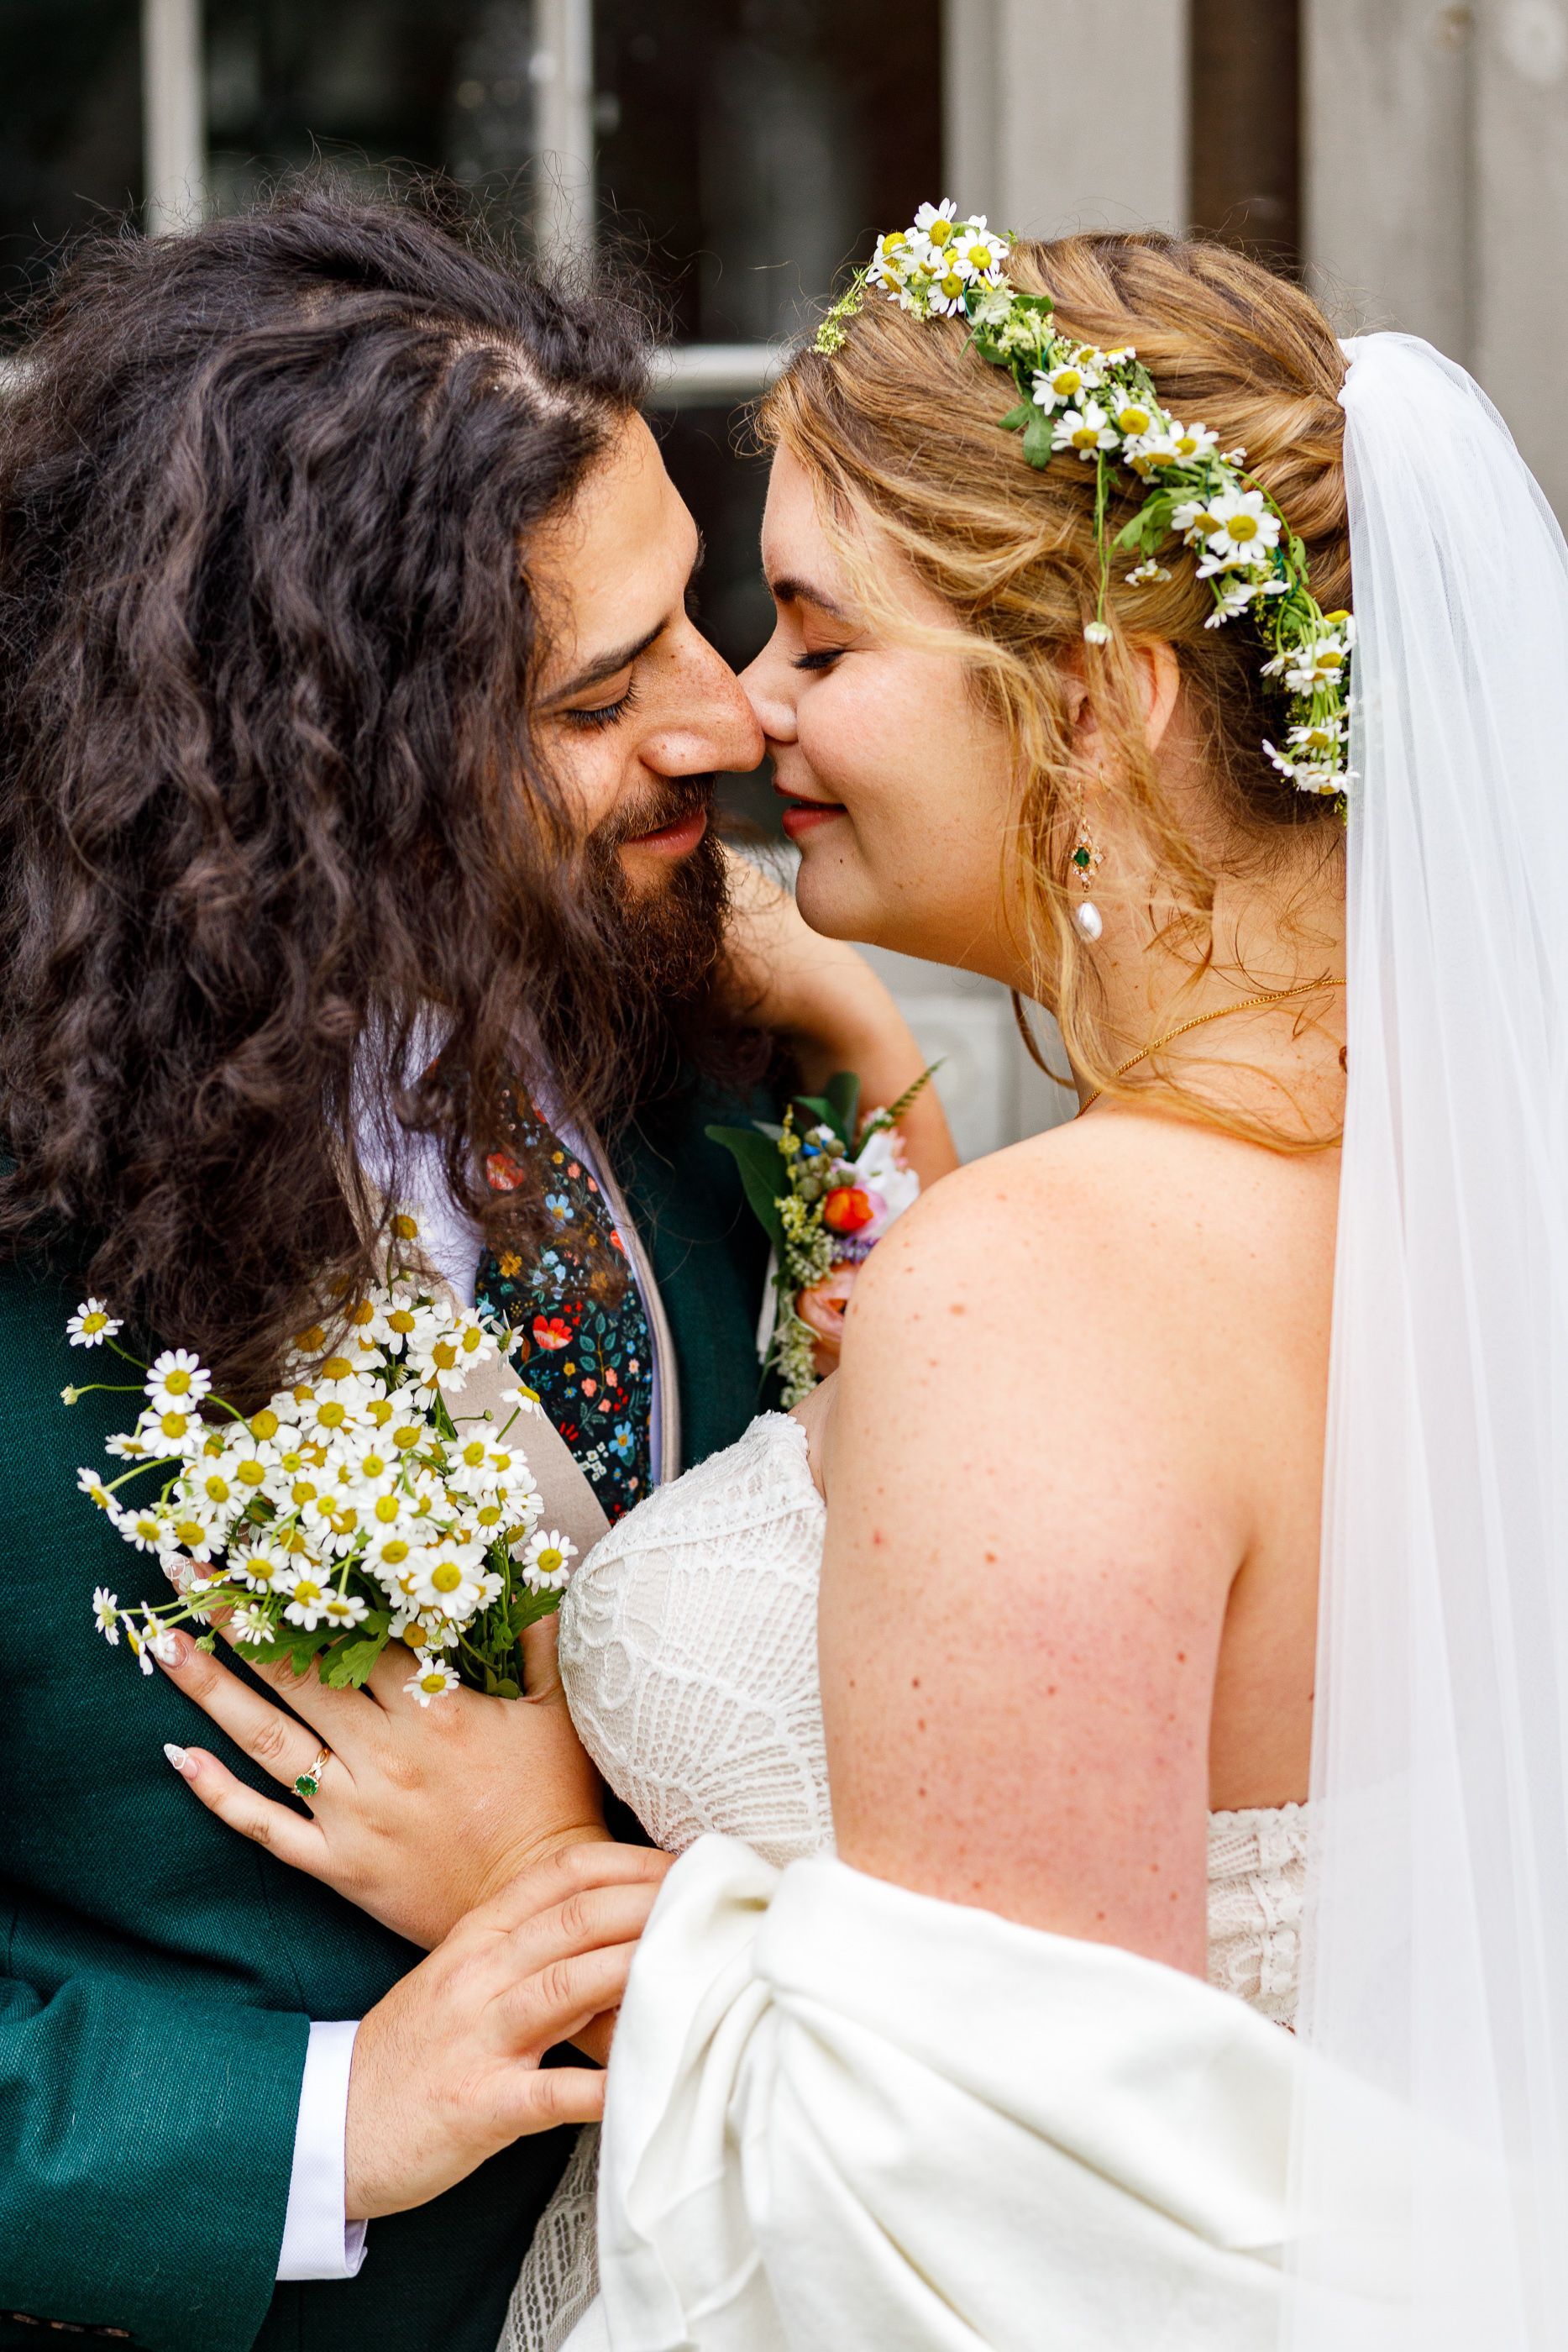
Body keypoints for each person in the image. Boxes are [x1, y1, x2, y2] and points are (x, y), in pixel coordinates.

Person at [156, 218, 1568, 2351]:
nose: (750, 713)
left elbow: (1001, 2225)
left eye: (817, 636)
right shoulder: (1443, 1176)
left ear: (1097, 700)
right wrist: (865, 1043)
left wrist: (563, 1892)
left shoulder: (1048, 1285)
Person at [0, 184, 952, 2352]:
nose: (721, 728)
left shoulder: (704, 1047)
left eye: (701, 625)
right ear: (321, 766)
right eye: (606, 691)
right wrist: (326, 2120)